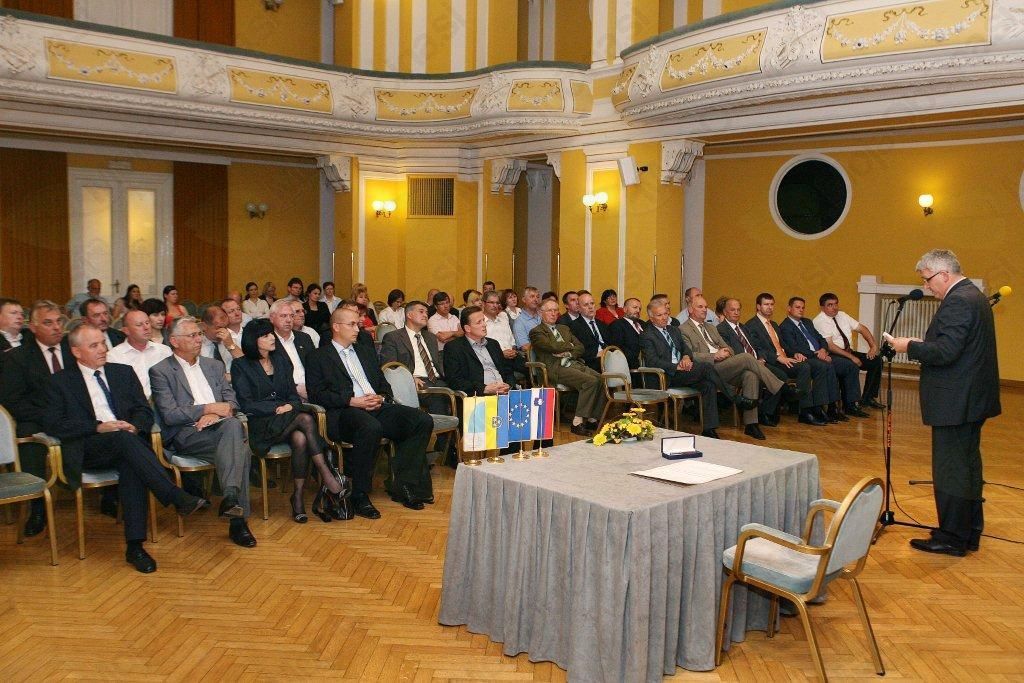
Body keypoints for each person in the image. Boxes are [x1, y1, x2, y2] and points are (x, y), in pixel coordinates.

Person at [44, 323, 209, 572]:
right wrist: (98, 427)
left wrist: (134, 425)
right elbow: (55, 423)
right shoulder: (60, 382)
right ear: (76, 352)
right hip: (89, 446)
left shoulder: (122, 372)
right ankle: (173, 495)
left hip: (127, 443)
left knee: (131, 462)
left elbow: (143, 410)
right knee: (125, 443)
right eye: (94, 346)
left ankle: (135, 547)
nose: (102, 349)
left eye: (103, 343)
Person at [890, 249, 1000, 557]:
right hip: (970, 399)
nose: (926, 287)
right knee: (967, 466)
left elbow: (946, 351)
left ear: (944, 274)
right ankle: (969, 531)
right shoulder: (974, 296)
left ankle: (952, 537)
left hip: (956, 401)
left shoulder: (958, 301)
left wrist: (908, 346)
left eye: (927, 280)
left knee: (951, 469)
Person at [306, 307, 434, 515]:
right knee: (370, 427)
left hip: (376, 406)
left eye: (358, 324)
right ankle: (359, 494)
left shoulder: (365, 351)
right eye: (352, 325)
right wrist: (352, 401)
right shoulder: (318, 357)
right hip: (344, 412)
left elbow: (382, 383)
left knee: (421, 420)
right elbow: (317, 395)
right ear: (336, 327)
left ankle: (403, 484)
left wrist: (381, 397)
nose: (358, 329)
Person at [150, 317, 258, 548]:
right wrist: (207, 409)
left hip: (221, 428)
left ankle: (232, 502)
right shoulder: (161, 371)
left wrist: (217, 414)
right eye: (192, 335)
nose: (199, 339)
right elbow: (170, 415)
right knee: (240, 446)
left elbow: (232, 401)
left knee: (234, 433)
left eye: (199, 334)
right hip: (188, 434)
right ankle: (238, 521)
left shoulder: (214, 366)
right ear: (174, 341)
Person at [231, 319, 344, 524]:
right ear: (253, 341)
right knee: (305, 419)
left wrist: (290, 405)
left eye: (271, 334)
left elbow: (292, 394)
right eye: (266, 335)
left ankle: (298, 497)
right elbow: (246, 403)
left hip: (289, 419)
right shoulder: (241, 365)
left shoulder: (281, 361)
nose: (272, 338)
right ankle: (327, 475)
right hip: (260, 425)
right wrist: (277, 408)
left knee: (300, 438)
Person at [0, 300, 76, 536]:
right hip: (36, 418)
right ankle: (38, 507)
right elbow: (13, 401)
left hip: (72, 415)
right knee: (28, 436)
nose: (57, 327)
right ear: (32, 328)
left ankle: (106, 495)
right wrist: (49, 417)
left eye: (59, 321)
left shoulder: (74, 350)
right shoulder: (18, 357)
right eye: (48, 323)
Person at [679, 295, 783, 440]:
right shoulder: (683, 329)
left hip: (725, 366)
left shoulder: (711, 327)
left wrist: (725, 352)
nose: (705, 310)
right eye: (700, 307)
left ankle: (751, 424)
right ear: (690, 309)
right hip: (707, 369)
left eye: (706, 307)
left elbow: (729, 348)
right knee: (746, 357)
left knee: (750, 375)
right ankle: (780, 387)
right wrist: (714, 356)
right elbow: (690, 355)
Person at [641, 300, 743, 439]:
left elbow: (686, 349)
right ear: (651, 318)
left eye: (666, 314)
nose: (664, 317)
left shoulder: (673, 330)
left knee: (708, 384)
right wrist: (676, 366)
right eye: (659, 315)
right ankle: (733, 397)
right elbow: (652, 361)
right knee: (706, 367)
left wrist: (686, 357)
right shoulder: (647, 335)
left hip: (683, 371)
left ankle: (709, 429)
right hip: (666, 375)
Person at [745, 293, 825, 426]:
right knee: (781, 375)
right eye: (766, 304)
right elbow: (757, 349)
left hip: (784, 359)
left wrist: (795, 353)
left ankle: (805, 411)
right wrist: (778, 358)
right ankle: (769, 410)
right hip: (768, 362)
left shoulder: (774, 324)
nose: (770, 307)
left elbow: (784, 345)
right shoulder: (751, 325)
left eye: (772, 304)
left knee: (804, 367)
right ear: (758, 306)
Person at [529, 299, 606, 436]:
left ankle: (592, 419)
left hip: (573, 363)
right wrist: (569, 345)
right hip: (554, 368)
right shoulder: (536, 332)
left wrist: (569, 352)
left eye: (555, 310)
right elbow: (551, 346)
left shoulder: (564, 328)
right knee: (590, 381)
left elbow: (580, 347)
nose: (553, 313)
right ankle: (577, 422)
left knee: (600, 378)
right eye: (549, 310)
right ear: (541, 313)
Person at [813, 292, 885, 410]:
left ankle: (868, 398)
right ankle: (850, 404)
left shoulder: (842, 315)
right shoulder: (820, 320)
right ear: (822, 307)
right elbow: (830, 346)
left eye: (836, 304)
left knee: (876, 361)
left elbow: (862, 329)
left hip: (847, 351)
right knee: (851, 364)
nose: (834, 307)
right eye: (830, 305)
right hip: (833, 354)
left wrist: (873, 346)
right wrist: (852, 357)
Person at [107, 310, 172, 399]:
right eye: (139, 325)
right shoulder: (114, 357)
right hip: (133, 404)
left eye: (147, 323)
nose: (146, 327)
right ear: (126, 330)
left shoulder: (164, 351)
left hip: (165, 401)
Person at [269, 299, 315, 400]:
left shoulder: (304, 338)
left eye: (291, 316)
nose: (289, 320)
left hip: (312, 391)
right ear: (272, 318)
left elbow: (315, 367)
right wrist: (296, 388)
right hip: (285, 396)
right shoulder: (268, 341)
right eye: (283, 316)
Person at [569, 290, 610, 372]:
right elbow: (577, 351)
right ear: (579, 308)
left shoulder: (602, 325)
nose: (590, 307)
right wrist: (597, 354)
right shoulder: (574, 326)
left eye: (592, 303)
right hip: (591, 362)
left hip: (608, 357)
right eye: (586, 305)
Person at [200, 304, 242, 373]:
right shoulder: (197, 345)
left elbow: (246, 366)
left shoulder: (231, 340)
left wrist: (231, 345)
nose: (224, 331)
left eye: (226, 327)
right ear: (204, 326)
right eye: (219, 328)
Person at [512, 287, 542, 351]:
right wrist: (547, 349)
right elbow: (525, 347)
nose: (536, 299)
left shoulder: (543, 316)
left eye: (537, 297)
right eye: (532, 296)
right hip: (535, 356)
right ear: (524, 299)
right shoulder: (519, 322)